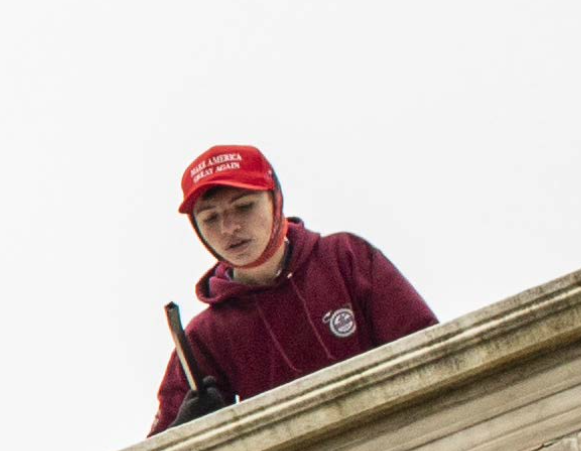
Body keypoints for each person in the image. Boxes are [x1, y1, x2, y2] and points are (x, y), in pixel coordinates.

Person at [148, 145, 438, 436]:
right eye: (210, 218)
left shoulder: (345, 258)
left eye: (244, 206)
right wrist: (184, 430)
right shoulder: (206, 335)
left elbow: (429, 350)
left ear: (276, 200)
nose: (229, 228)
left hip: (397, 442)